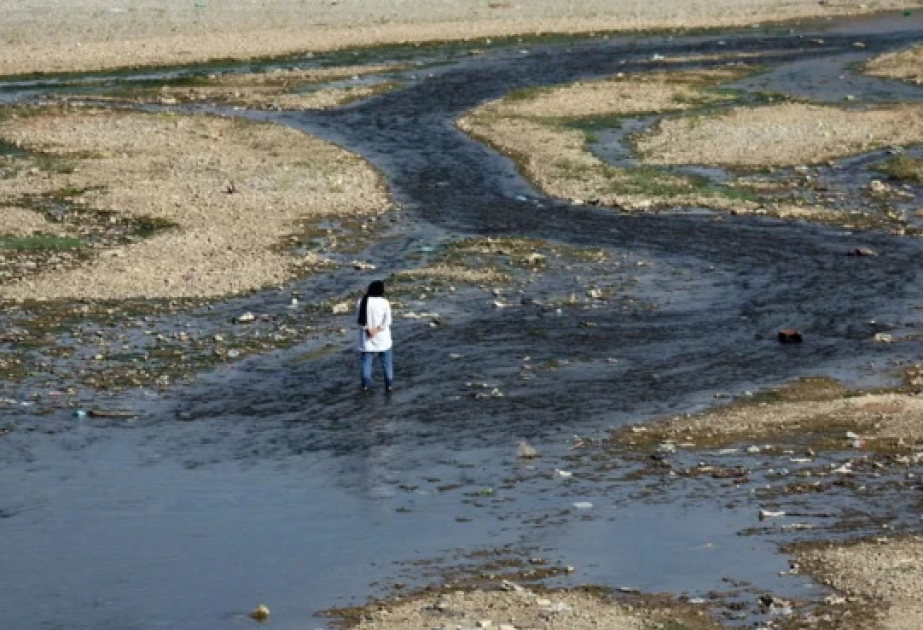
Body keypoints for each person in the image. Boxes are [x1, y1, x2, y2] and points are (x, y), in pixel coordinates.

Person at [356, 280, 393, 392]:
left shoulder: (361, 301)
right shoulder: (384, 302)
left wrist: (368, 329)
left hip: (367, 338)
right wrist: (377, 329)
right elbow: (388, 321)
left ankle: (365, 386)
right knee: (387, 363)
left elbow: (359, 321)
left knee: (366, 363)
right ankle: (389, 385)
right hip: (383, 338)